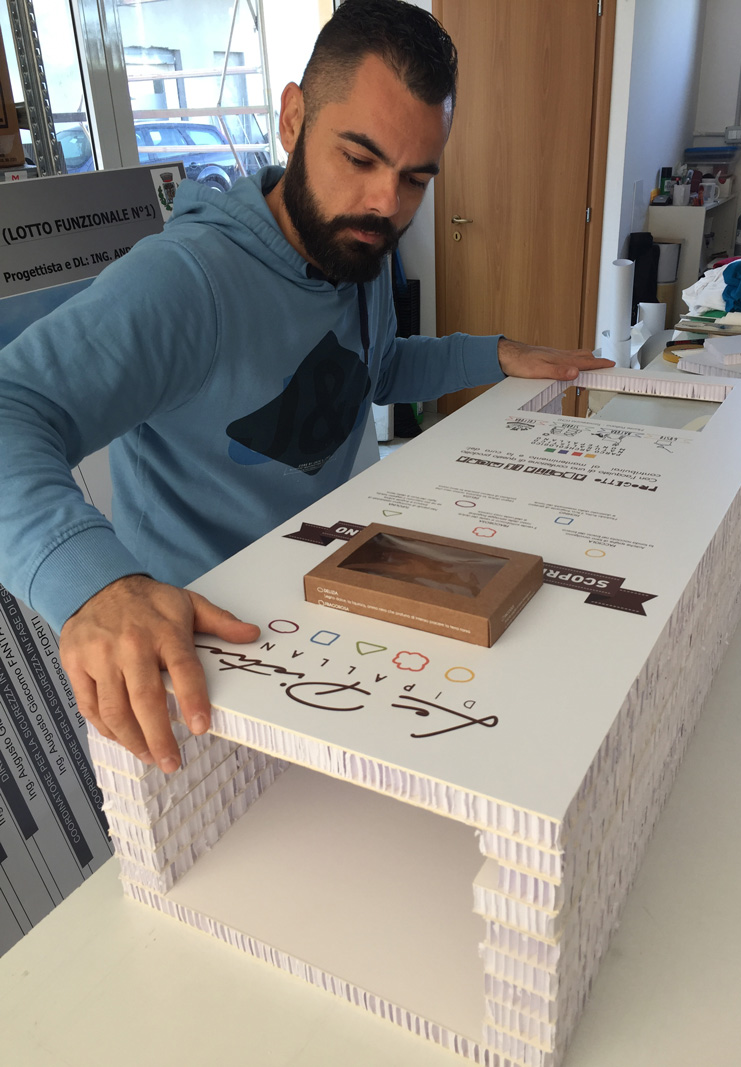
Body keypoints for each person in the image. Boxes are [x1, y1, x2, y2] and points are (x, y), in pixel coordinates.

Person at [0, 0, 612, 775]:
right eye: (359, 158)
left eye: (415, 178)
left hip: (323, 608)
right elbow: (13, 408)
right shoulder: (188, 282)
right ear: (293, 118)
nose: (386, 203)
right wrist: (95, 583)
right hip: (205, 666)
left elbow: (373, 370)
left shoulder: (356, 247)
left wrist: (494, 355)